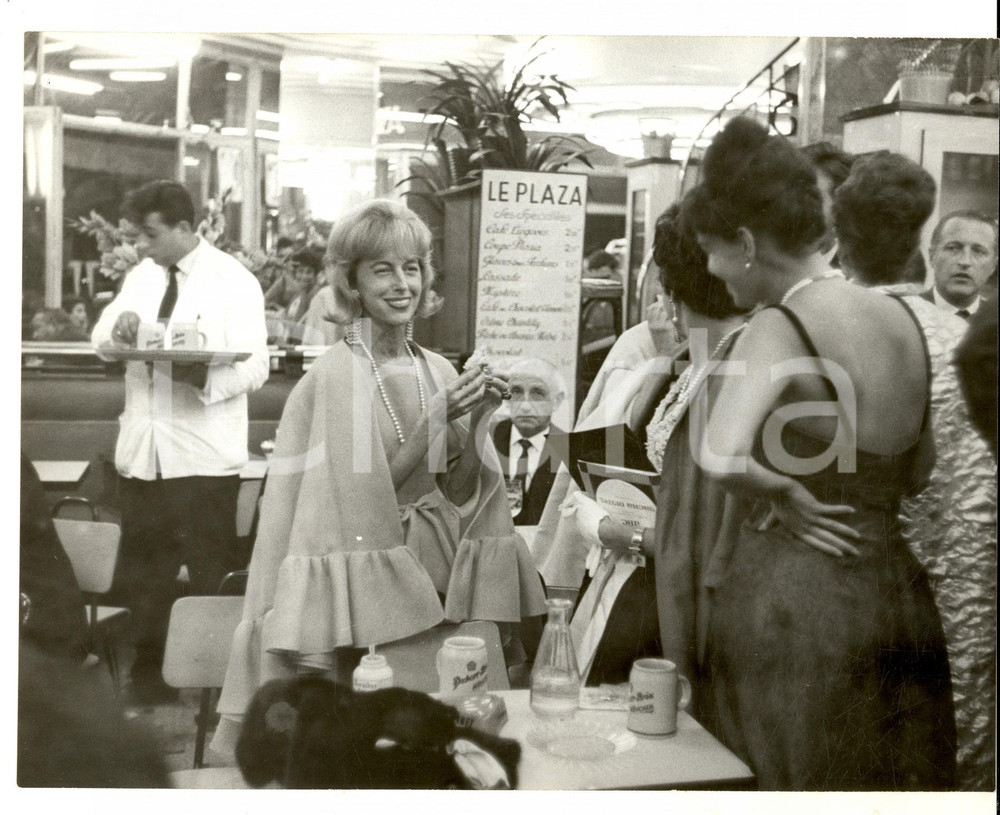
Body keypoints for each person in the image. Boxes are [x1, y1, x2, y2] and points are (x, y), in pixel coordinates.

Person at [214, 199, 546, 754]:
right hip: (368, 604)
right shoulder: (335, 375)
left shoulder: (436, 368)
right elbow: (360, 504)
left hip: (437, 593)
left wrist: (483, 417)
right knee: (384, 751)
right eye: (382, 269)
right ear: (351, 282)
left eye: (411, 267)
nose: (402, 284)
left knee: (454, 748)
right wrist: (436, 418)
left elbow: (455, 496)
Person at [687, 117, 956, 790]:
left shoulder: (778, 325)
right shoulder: (901, 315)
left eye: (713, 252)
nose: (714, 273)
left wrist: (782, 490)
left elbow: (717, 455)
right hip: (897, 594)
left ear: (747, 243)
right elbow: (918, 472)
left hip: (800, 600)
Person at [833, 151, 997, 791]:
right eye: (950, 247)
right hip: (921, 537)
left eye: (977, 251)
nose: (962, 261)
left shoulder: (977, 336)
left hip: (955, 543)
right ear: (926, 249)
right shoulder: (920, 327)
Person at [556, 202, 750, 688]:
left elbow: (720, 533)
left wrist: (625, 534)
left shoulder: (730, 370)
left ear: (669, 289)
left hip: (679, 595)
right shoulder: (687, 359)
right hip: (646, 580)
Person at [91, 180, 269, 704]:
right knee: (144, 577)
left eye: (150, 234)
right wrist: (118, 329)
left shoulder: (233, 281)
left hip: (203, 457)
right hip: (144, 456)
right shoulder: (141, 277)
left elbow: (256, 365)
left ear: (185, 228)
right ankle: (148, 681)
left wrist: (201, 377)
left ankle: (217, 691)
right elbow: (101, 342)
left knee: (210, 577)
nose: (141, 246)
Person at [491, 357, 566, 526]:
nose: (525, 406)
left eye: (537, 393)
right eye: (516, 392)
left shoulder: (569, 452)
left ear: (557, 400)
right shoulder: (485, 440)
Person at [923, 210, 998, 318]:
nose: (965, 261)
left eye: (978, 251)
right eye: (953, 248)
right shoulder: (904, 314)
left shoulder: (993, 320)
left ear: (993, 265)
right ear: (932, 256)